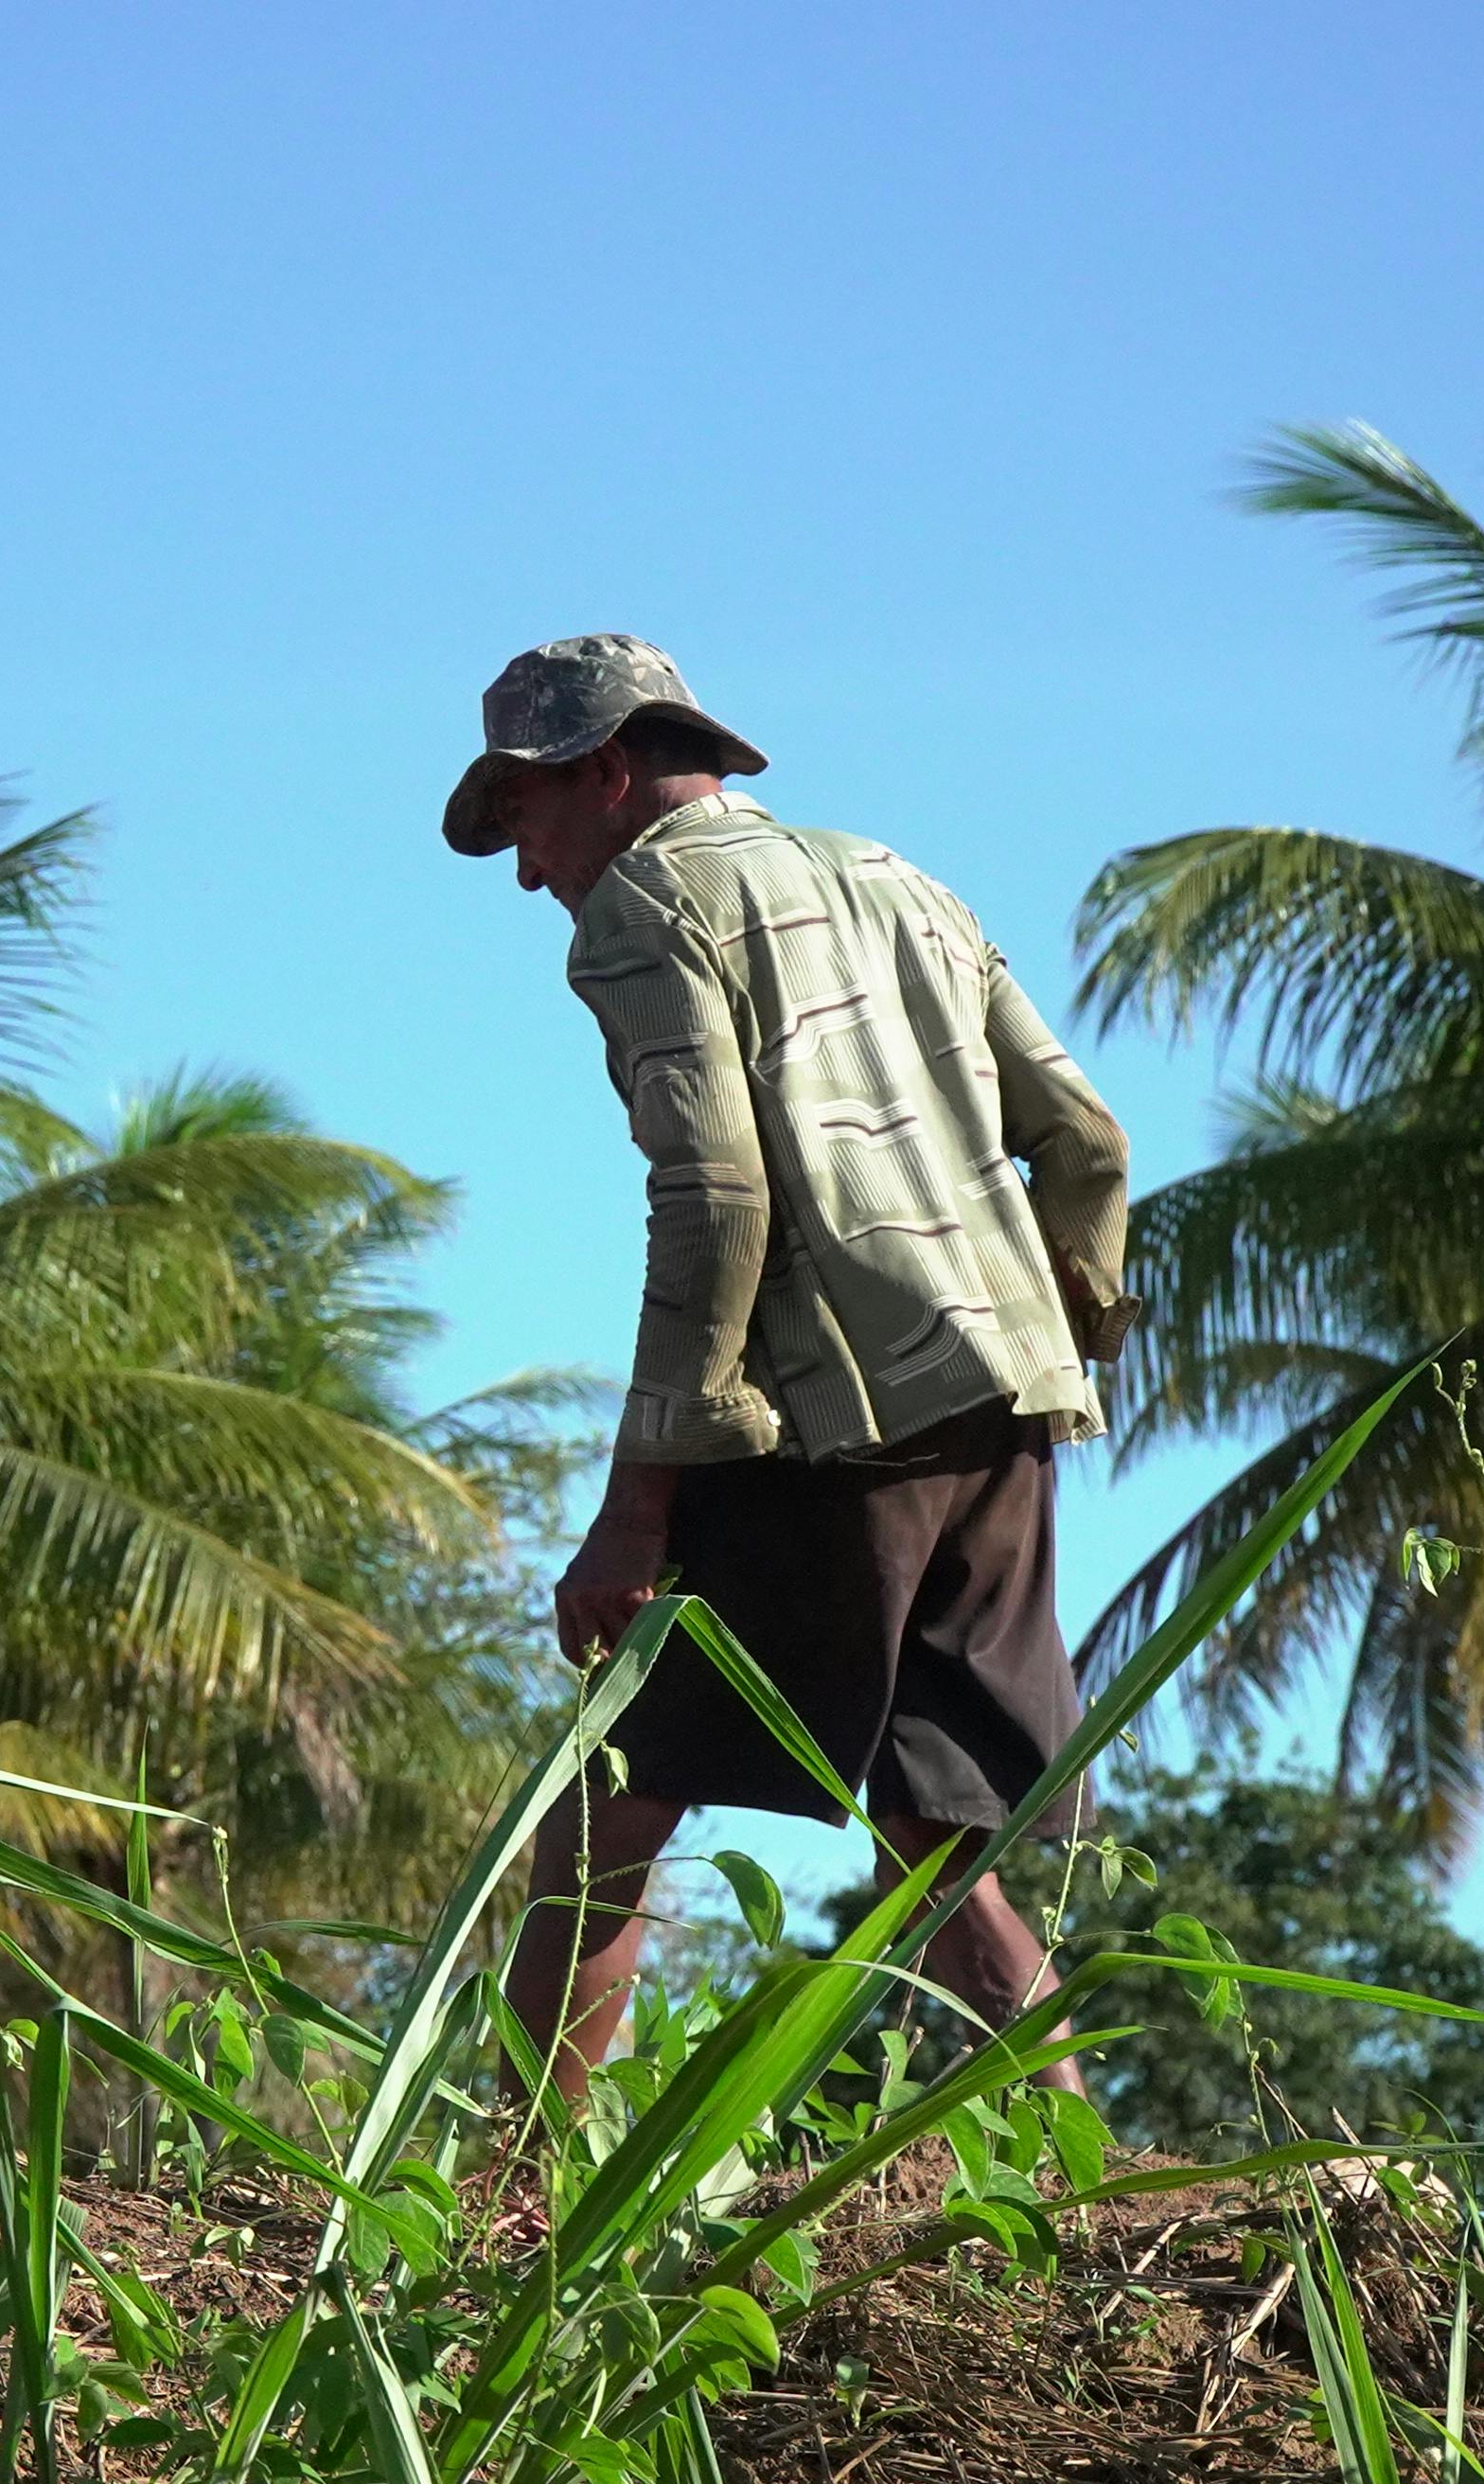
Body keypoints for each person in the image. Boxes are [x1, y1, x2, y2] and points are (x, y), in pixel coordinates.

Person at [445, 633, 1136, 2106]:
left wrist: (638, 1508)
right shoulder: (900, 879)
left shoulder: (647, 903)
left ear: (610, 772)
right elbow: (1087, 1144)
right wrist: (1052, 1338)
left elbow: (716, 1200)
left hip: (834, 1426)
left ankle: (513, 2210)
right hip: (1004, 1411)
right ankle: (1079, 2183)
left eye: (529, 815)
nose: (525, 870)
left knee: (611, 1807)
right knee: (939, 1834)